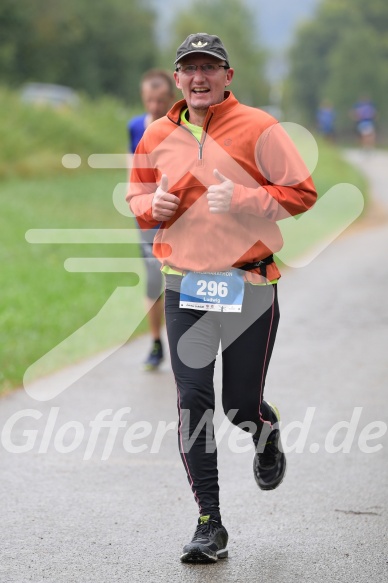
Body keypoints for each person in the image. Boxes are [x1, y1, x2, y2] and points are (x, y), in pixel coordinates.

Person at [127, 33, 317, 563]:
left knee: (237, 404)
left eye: (210, 67)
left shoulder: (260, 127)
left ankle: (265, 427)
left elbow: (302, 191)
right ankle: (210, 522)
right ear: (178, 78)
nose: (199, 77)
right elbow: (136, 193)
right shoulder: (156, 133)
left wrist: (245, 197)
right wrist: (152, 204)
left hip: (248, 286)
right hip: (184, 285)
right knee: (194, 402)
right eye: (190, 69)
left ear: (227, 76)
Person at [127, 69, 176, 370]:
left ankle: (189, 346)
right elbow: (132, 169)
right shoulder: (134, 127)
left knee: (180, 281)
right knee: (154, 280)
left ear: (171, 98)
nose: (155, 107)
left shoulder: (180, 127)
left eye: (160, 100)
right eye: (149, 100)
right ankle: (156, 343)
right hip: (147, 217)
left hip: (177, 217)